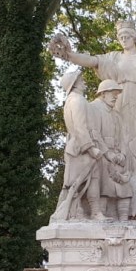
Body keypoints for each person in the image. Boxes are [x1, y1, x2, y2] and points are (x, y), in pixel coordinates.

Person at [49, 21, 136, 175]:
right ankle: (122, 172)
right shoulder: (114, 58)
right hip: (119, 98)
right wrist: (69, 55)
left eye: (126, 36)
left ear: (134, 38)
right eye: (120, 37)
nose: (123, 39)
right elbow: (92, 61)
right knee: (120, 134)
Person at [51, 70, 107, 221]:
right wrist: (90, 148)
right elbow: (80, 127)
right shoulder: (77, 100)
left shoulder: (75, 100)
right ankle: (74, 213)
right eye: (81, 80)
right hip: (80, 149)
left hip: (81, 146)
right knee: (77, 184)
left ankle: (94, 212)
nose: (84, 82)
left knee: (92, 179)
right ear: (74, 83)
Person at [88, 79, 133, 220]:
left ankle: (124, 221)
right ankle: (100, 218)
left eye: (117, 94)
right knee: (104, 187)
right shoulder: (93, 109)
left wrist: (123, 155)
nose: (115, 97)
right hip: (102, 156)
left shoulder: (116, 115)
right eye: (113, 93)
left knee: (125, 189)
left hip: (117, 157)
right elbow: (94, 134)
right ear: (103, 94)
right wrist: (108, 153)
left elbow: (124, 137)